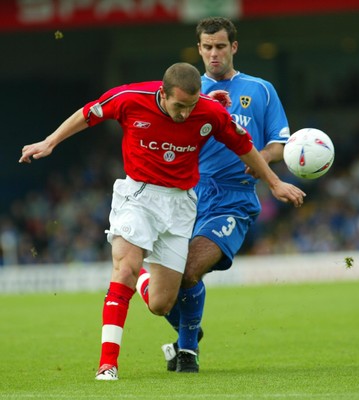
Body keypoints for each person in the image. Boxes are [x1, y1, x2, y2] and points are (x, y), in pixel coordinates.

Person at [19, 62, 305, 381]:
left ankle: (143, 280)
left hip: (180, 204)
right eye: (179, 106)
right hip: (138, 195)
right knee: (124, 267)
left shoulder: (210, 112)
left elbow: (246, 147)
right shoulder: (130, 97)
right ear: (163, 94)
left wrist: (275, 183)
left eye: (191, 106)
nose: (185, 114)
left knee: (160, 303)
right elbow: (88, 113)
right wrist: (50, 141)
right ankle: (107, 364)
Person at [136, 17, 295, 373]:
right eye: (207, 47)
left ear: (233, 47)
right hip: (184, 195)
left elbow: (282, 144)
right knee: (166, 289)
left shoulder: (260, 89)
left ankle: (188, 352)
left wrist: (263, 159)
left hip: (233, 198)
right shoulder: (186, 92)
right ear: (199, 49)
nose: (213, 54)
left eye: (220, 47)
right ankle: (185, 335)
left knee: (190, 271)